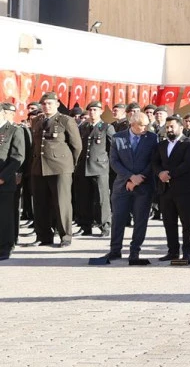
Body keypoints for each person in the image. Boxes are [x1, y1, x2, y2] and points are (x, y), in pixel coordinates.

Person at [89, 111, 156, 265]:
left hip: (144, 185)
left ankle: (134, 251)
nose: (145, 128)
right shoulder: (118, 137)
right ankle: (115, 250)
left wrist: (138, 179)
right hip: (122, 185)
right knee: (118, 219)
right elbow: (114, 161)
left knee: (140, 220)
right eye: (142, 125)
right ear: (132, 124)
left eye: (147, 125)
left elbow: (153, 161)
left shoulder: (152, 138)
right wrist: (130, 177)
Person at [29, 91, 81, 248]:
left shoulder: (65, 120)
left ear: (57, 104)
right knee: (40, 203)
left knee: (61, 203)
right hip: (39, 167)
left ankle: (65, 236)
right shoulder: (37, 120)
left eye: (50, 103)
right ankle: (43, 236)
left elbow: (76, 146)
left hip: (60, 168)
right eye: (44, 104)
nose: (46, 106)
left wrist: (69, 165)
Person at [152, 115, 190, 263]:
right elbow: (154, 163)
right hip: (165, 190)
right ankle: (172, 251)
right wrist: (160, 173)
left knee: (187, 223)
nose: (169, 129)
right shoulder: (161, 145)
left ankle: (187, 253)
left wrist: (169, 174)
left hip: (183, 190)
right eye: (167, 127)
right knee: (169, 222)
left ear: (181, 127)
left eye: (172, 126)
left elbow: (187, 164)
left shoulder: (189, 143)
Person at [74, 101, 113, 237]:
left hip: (100, 167)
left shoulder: (106, 127)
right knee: (84, 198)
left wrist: (108, 166)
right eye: (90, 110)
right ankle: (85, 226)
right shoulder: (83, 126)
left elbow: (112, 149)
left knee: (102, 198)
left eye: (95, 110)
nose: (92, 112)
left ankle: (105, 226)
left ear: (101, 111)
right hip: (84, 167)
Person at [0, 103, 25, 260]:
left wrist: (2, 177)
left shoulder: (14, 130)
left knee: (4, 217)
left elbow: (17, 157)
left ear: (2, 113)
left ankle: (5, 247)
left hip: (4, 181)